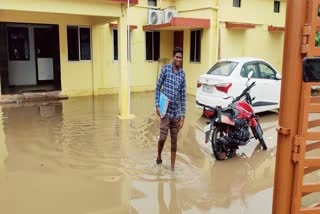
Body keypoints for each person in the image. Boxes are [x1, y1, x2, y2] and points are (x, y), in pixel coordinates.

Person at [155, 47, 186, 171]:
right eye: (177, 57)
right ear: (173, 57)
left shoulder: (182, 75)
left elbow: (183, 97)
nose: (179, 59)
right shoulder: (165, 70)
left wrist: (182, 117)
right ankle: (159, 156)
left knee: (174, 141)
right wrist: (157, 104)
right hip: (165, 111)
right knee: (162, 137)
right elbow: (157, 88)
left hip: (176, 114)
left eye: (180, 57)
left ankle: (172, 169)